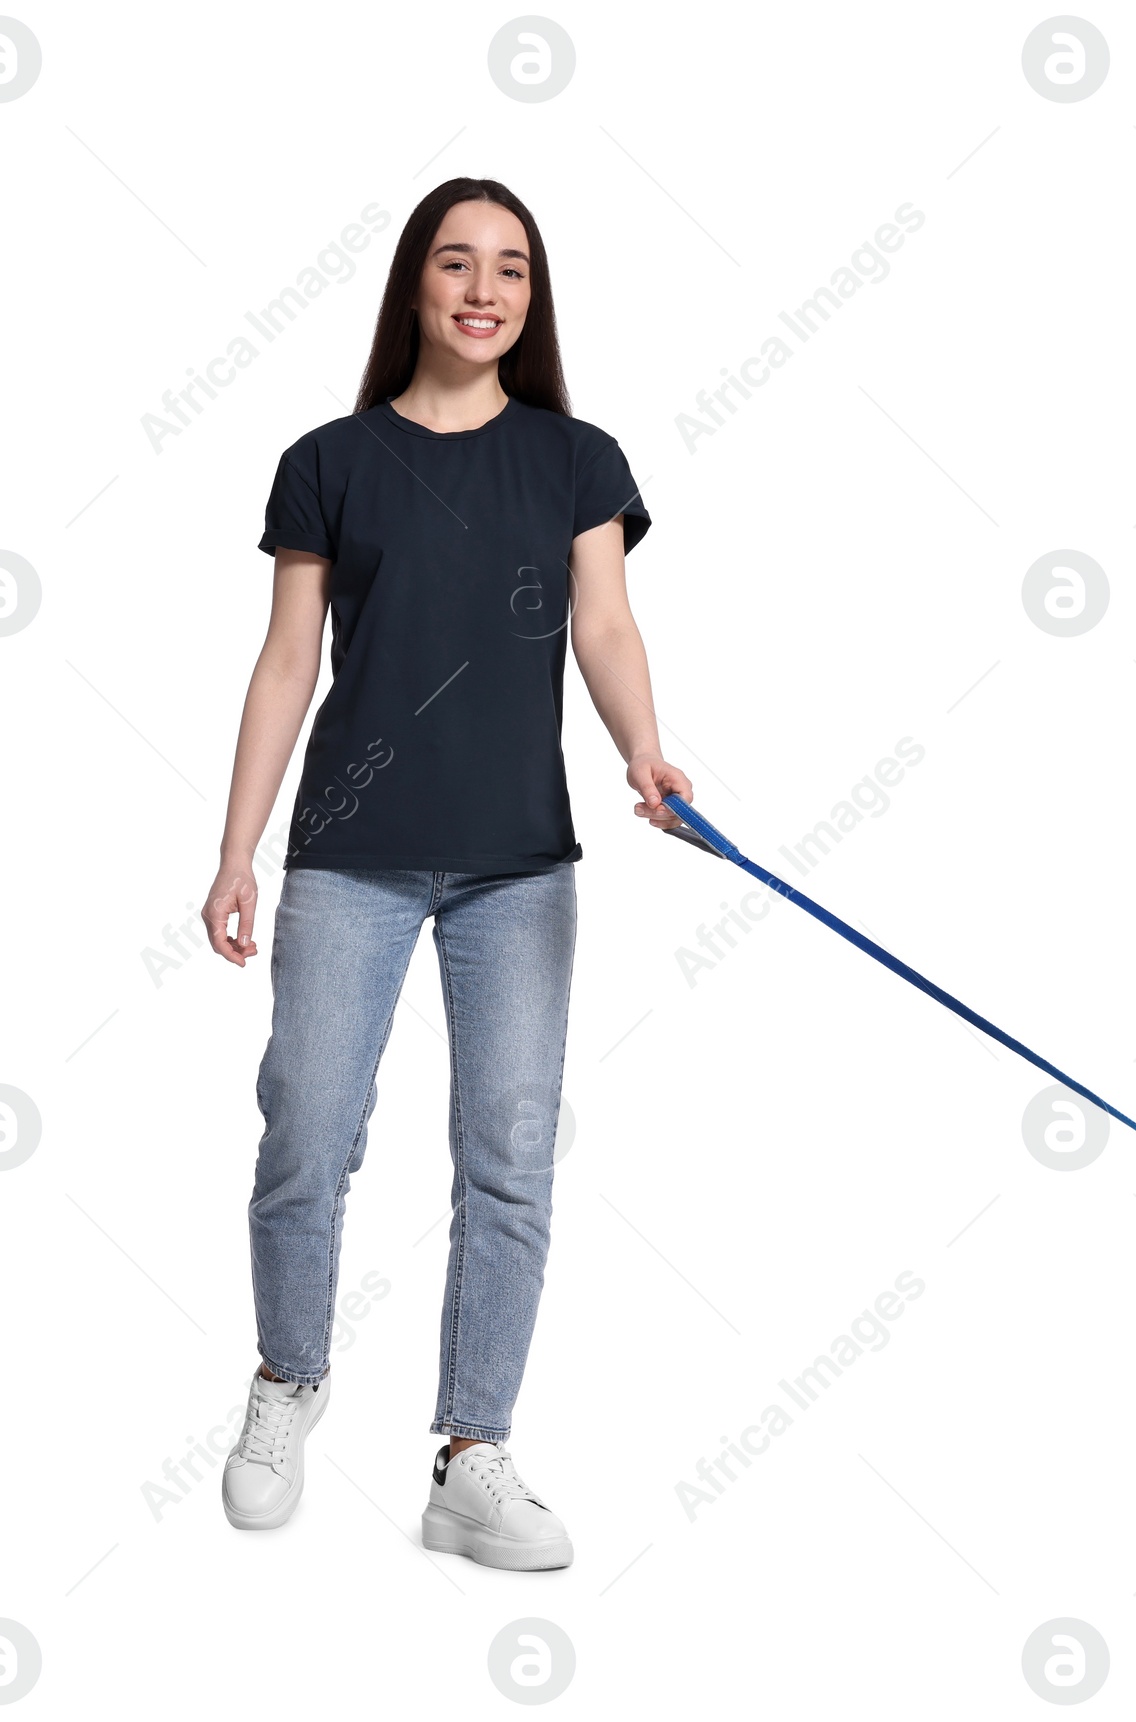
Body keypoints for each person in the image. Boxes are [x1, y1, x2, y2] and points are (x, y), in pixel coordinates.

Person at [202, 176, 690, 1569]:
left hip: (516, 866)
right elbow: (289, 660)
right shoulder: (328, 461)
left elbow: (605, 623)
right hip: (349, 854)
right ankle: (288, 1379)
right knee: (307, 1124)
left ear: (532, 302)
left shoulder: (576, 460)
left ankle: (473, 1456)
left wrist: (648, 749)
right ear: (415, 284)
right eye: (457, 263)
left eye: (513, 271)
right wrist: (236, 849)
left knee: (510, 1156)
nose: (484, 289)